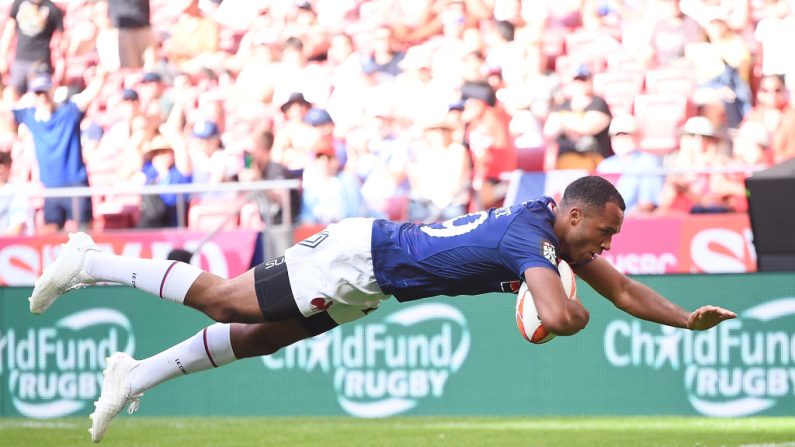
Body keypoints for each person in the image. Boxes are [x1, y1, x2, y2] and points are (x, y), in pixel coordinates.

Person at [27, 176, 736, 443]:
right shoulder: (531, 236)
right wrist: (564, 315)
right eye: (604, 232)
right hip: (356, 255)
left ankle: (135, 375)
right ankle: (93, 261)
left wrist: (682, 319)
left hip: (376, 281)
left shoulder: (555, 233)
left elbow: (619, 289)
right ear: (574, 214)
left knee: (258, 338)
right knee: (219, 297)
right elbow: (555, 317)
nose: (607, 244)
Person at [11, 69, 106, 233]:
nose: (43, 97)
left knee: (84, 235)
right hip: (50, 188)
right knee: (50, 235)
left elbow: (89, 95)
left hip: (76, 184)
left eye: (45, 92)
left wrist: (101, 76)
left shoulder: (68, 112)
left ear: (52, 91)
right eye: (38, 93)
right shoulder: (30, 116)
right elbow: (7, 106)